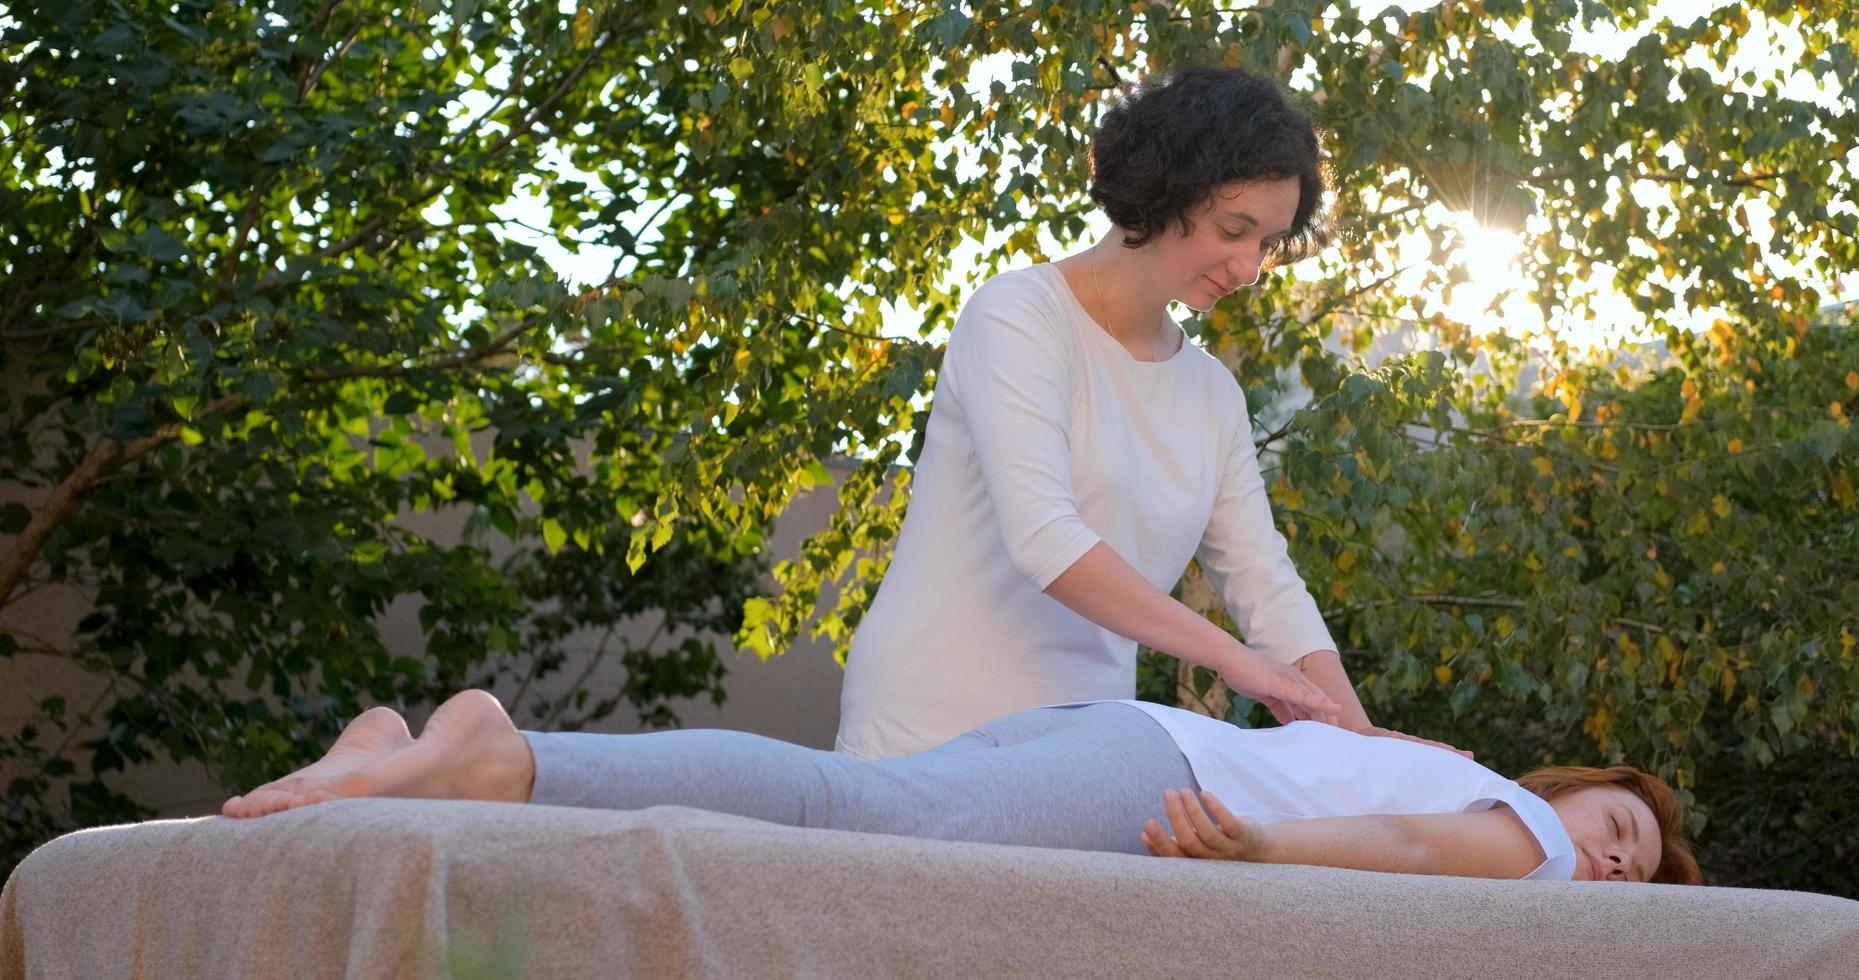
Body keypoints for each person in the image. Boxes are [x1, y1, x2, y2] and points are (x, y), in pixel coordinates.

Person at [834, 63, 1440, 758]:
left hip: (1077, 748)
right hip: (927, 729)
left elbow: (1262, 581)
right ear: (1164, 190)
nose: (1248, 268)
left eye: (1266, 245)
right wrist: (1233, 660)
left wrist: (1360, 743)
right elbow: (1045, 539)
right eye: (1233, 228)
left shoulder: (1211, 394)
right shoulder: (1018, 316)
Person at [221, 689, 1702, 884]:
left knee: (849, 806)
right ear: (1566, 797)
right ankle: (503, 754)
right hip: (1145, 763)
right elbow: (1401, 844)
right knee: (842, 819)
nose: (1618, 861)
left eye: (1633, 867)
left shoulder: (1427, 752)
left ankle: (394, 748)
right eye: (1621, 826)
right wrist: (1257, 848)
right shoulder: (1524, 846)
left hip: (1093, 725)